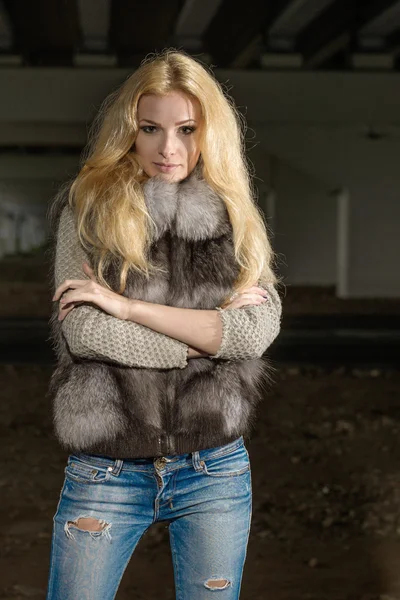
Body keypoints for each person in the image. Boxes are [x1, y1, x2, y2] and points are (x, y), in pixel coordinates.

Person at [45, 49, 282, 600]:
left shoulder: (235, 212)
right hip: (105, 470)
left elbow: (254, 333)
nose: (168, 147)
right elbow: (85, 333)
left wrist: (129, 309)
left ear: (209, 132)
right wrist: (206, 336)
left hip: (215, 467)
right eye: (150, 128)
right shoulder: (89, 210)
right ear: (129, 130)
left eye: (186, 128)